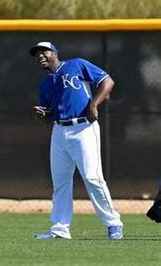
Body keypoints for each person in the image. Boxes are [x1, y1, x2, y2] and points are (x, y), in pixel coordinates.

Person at [30, 41, 124, 240]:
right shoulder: (45, 84)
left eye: (44, 51)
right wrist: (42, 117)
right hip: (59, 130)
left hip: (84, 127)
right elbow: (49, 118)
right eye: (37, 54)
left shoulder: (77, 65)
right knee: (60, 182)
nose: (40, 56)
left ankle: (113, 223)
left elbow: (108, 82)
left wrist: (94, 104)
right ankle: (60, 228)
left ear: (55, 52)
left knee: (92, 177)